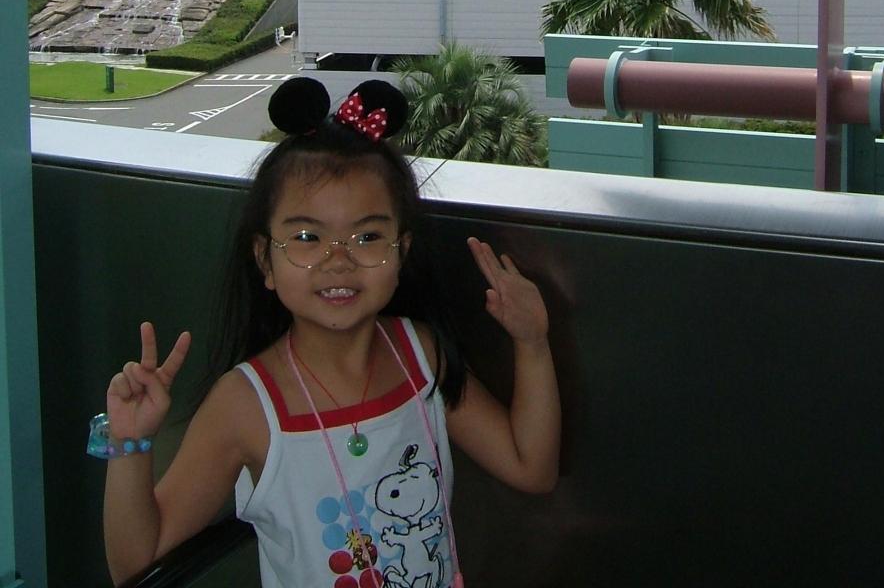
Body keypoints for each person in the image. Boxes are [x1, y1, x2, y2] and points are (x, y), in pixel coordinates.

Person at [97, 76, 560, 588]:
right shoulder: (246, 405)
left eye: (367, 236)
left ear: (401, 252)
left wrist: (532, 343)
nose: (337, 260)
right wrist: (130, 443)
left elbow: (531, 468)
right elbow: (136, 566)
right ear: (265, 260)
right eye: (306, 236)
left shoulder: (420, 355)